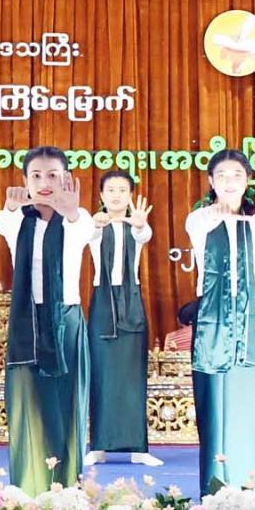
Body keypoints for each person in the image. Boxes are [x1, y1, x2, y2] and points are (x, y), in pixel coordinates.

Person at [0, 146, 95, 494]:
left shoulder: (78, 219)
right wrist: (12, 206)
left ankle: (68, 489)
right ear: (25, 180)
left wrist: (70, 212)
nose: (44, 182)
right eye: (35, 175)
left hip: (65, 321)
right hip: (27, 322)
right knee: (28, 405)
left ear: (66, 178)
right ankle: (28, 488)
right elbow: (4, 221)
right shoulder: (17, 221)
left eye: (53, 174)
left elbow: (83, 228)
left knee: (66, 406)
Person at [186, 149, 255, 491]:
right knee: (215, 400)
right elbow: (208, 227)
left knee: (254, 398)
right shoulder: (199, 219)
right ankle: (219, 483)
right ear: (211, 181)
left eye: (237, 175)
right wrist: (252, 219)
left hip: (251, 315)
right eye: (222, 175)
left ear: (248, 181)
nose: (229, 182)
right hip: (213, 318)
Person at [85, 170, 161, 468]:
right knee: (101, 375)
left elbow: (144, 235)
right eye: (111, 190)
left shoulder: (137, 226)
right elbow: (86, 234)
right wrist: (94, 222)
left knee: (133, 378)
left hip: (131, 302)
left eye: (122, 190)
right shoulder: (93, 226)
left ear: (130, 196)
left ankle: (138, 448)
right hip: (103, 303)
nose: (116, 195)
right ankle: (99, 446)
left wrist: (139, 223)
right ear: (101, 195)